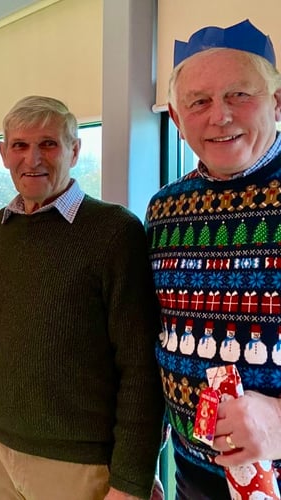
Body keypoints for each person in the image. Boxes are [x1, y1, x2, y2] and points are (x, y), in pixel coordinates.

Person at [0, 95, 164, 499]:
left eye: (49, 144)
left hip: (79, 465)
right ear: (3, 153)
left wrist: (130, 481)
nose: (33, 159)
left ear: (75, 150)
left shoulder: (114, 231)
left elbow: (141, 368)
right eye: (20, 146)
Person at [146, 19, 281, 498]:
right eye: (199, 102)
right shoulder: (164, 210)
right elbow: (157, 335)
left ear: (276, 103)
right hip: (192, 474)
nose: (220, 116)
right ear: (177, 120)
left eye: (240, 95)